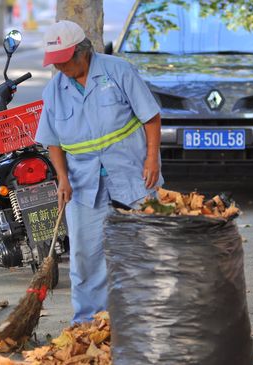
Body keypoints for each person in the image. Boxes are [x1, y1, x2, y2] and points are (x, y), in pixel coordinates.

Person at [34, 20, 163, 324]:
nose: (61, 67)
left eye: (64, 60)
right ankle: (88, 323)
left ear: (83, 52)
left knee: (141, 247)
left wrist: (152, 159)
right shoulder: (54, 90)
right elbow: (52, 141)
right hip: (83, 183)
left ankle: (144, 319)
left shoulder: (118, 71)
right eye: (56, 62)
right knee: (85, 257)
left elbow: (151, 117)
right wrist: (62, 178)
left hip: (132, 173)